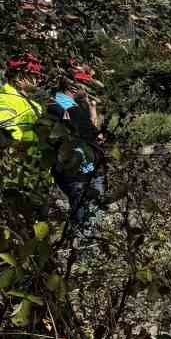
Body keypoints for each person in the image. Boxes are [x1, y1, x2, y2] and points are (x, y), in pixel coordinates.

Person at [46, 67, 104, 226]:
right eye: (86, 86)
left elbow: (93, 132)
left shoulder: (69, 105)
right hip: (78, 172)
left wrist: (90, 108)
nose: (89, 91)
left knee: (87, 214)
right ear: (74, 87)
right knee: (87, 217)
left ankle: (82, 244)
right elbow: (92, 135)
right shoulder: (60, 107)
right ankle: (83, 247)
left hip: (85, 168)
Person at [0, 56, 43, 146]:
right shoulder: (4, 98)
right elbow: (6, 129)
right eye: (34, 76)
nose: (39, 80)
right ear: (19, 78)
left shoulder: (36, 106)